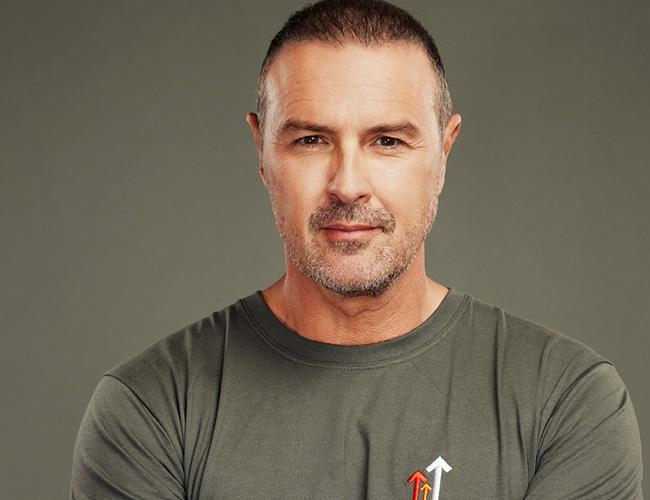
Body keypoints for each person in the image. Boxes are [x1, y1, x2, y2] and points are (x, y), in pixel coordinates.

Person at [70, 1, 643, 498]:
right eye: (311, 140)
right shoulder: (151, 407)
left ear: (443, 154)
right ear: (262, 152)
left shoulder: (566, 401)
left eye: (387, 140)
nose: (348, 183)